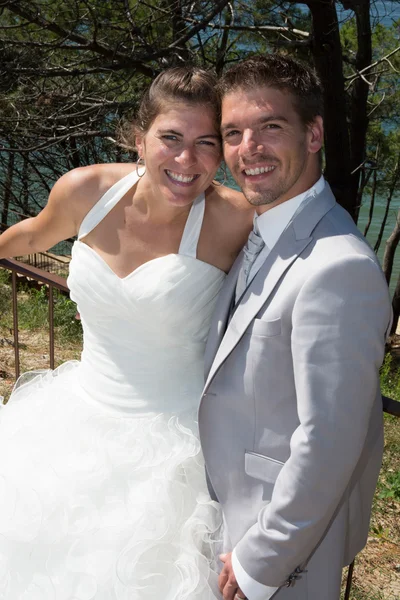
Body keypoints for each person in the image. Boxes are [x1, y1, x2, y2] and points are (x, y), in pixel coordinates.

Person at [0, 66, 253, 599]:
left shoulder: (237, 221)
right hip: (69, 421)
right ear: (138, 138)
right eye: (170, 139)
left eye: (206, 143)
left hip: (175, 448)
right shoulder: (86, 190)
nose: (187, 161)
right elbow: (29, 235)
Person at [198, 54, 392, 600]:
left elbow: (329, 441)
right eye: (232, 133)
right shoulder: (264, 232)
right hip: (221, 520)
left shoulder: (339, 266)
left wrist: (262, 560)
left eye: (269, 127)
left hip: (275, 552)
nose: (247, 149)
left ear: (314, 133)